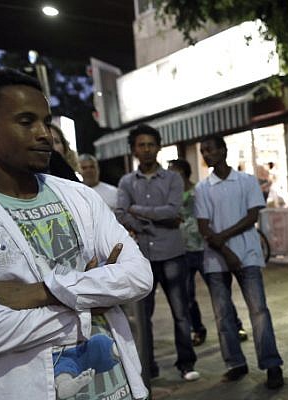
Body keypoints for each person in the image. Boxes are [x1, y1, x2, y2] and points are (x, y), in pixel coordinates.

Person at [0, 67, 153, 400]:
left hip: (119, 387)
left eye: (46, 121)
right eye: (27, 122)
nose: (44, 133)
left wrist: (43, 292)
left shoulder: (80, 196)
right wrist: (95, 298)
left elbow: (139, 276)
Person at [194, 135, 284, 389]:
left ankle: (271, 364)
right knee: (223, 315)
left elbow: (252, 216)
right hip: (215, 259)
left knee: (259, 311)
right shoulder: (203, 188)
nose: (207, 154)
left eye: (211, 149)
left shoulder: (246, 181)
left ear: (224, 150)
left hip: (247, 254)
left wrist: (222, 239)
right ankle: (235, 363)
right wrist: (225, 249)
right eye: (204, 151)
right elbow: (203, 225)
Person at [115, 124, 200, 381]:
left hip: (173, 253)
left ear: (158, 147)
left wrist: (137, 212)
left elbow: (173, 211)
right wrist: (150, 222)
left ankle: (186, 364)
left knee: (180, 312)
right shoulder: (126, 181)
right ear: (134, 149)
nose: (147, 149)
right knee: (143, 317)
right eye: (141, 145)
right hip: (142, 257)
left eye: (151, 144)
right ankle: (148, 367)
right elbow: (120, 213)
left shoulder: (173, 179)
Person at [167, 158, 249, 347]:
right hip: (183, 249)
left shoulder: (199, 190)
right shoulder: (171, 197)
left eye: (176, 172)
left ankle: (236, 326)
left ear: (185, 172)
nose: (172, 177)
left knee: (219, 292)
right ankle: (198, 329)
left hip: (204, 248)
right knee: (187, 296)